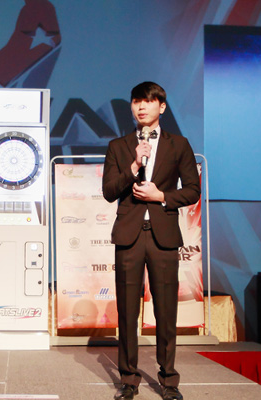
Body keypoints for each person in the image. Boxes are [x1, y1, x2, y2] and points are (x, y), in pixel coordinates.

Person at [102, 82, 200, 400]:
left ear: (162, 106)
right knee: (128, 311)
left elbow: (193, 190)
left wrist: (161, 196)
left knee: (166, 311)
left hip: (163, 236)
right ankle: (128, 379)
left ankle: (169, 380)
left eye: (148, 101)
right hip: (129, 236)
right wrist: (133, 166)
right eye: (136, 101)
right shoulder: (118, 146)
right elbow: (109, 191)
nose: (141, 107)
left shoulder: (179, 145)